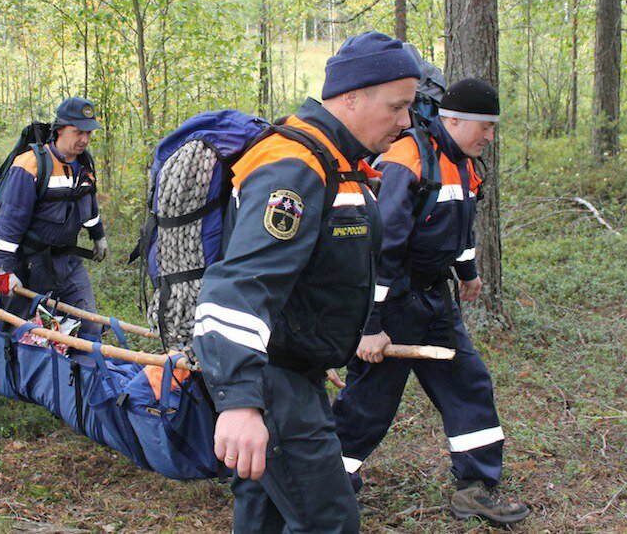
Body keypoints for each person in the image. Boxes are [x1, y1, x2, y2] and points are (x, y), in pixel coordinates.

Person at [193, 31, 420, 532]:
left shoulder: (340, 163)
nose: (405, 122)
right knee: (330, 522)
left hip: (292, 373)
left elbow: (318, 275)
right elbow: (238, 285)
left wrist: (324, 345)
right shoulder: (295, 167)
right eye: (398, 106)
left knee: (264, 515)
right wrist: (240, 401)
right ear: (352, 97)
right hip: (271, 384)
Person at [332, 78, 530, 526]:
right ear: (453, 118)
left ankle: (475, 488)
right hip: (394, 300)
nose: (490, 137)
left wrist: (468, 272)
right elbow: (383, 248)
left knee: (468, 383)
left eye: (494, 128)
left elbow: (460, 228)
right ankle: (325, 483)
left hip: (435, 298)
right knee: (369, 403)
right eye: (485, 127)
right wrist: (370, 324)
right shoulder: (408, 159)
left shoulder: (466, 164)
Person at [0, 97, 107, 340]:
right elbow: (10, 222)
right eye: (78, 132)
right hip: (29, 264)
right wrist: (5, 270)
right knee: (19, 332)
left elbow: (89, 205)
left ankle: (81, 375)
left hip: (68, 262)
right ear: (60, 129)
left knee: (90, 326)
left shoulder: (85, 164)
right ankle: (11, 373)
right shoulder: (31, 165)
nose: (84, 139)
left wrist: (98, 237)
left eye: (89, 133)